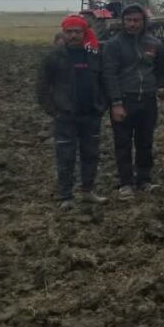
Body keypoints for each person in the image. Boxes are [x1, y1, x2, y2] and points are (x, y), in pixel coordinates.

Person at [37, 15, 109, 209]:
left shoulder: (94, 54)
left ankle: (87, 191)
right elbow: (42, 89)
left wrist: (101, 106)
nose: (73, 36)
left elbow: (104, 82)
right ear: (64, 33)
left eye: (77, 32)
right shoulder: (53, 57)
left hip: (91, 115)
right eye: (69, 32)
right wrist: (55, 112)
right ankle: (66, 196)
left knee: (91, 155)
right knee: (65, 157)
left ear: (84, 33)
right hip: (65, 117)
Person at [103, 4, 164, 200]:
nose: (132, 24)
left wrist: (162, 87)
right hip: (124, 100)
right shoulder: (113, 45)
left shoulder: (154, 44)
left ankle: (144, 179)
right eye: (128, 20)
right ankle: (126, 183)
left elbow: (161, 70)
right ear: (123, 22)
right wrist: (116, 103)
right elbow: (109, 75)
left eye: (136, 20)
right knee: (123, 143)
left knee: (145, 142)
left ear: (143, 21)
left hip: (147, 101)